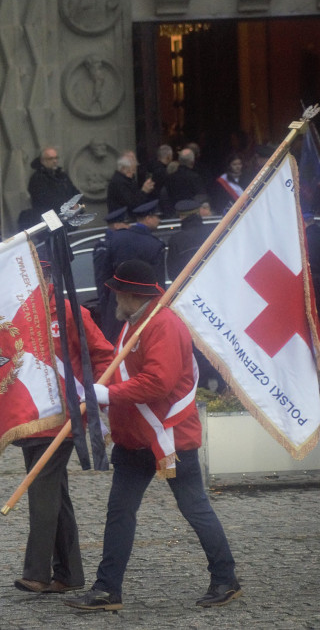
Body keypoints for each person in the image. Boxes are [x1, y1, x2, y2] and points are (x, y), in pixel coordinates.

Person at [65, 260, 242, 612]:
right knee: (119, 512)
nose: (112, 297)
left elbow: (158, 382)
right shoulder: (138, 321)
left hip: (168, 439)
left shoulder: (162, 324)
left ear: (132, 295)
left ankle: (225, 578)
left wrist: (109, 395)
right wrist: (104, 392)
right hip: (135, 438)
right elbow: (130, 373)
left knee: (194, 508)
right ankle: (106, 589)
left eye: (117, 292)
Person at [13, 264, 115, 595]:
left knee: (41, 489)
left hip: (63, 417)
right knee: (55, 493)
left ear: (46, 278)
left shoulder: (71, 311)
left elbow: (103, 355)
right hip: (28, 416)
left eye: (34, 277)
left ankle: (38, 572)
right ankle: (69, 574)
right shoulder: (14, 313)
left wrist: (96, 395)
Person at [98, 200, 165, 343]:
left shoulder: (116, 238)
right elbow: (158, 283)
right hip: (142, 305)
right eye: (157, 217)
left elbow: (104, 274)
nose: (159, 220)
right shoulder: (155, 244)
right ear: (148, 218)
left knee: (114, 344)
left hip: (117, 302)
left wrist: (106, 300)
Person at [93, 207, 130, 330]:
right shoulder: (104, 245)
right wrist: (105, 301)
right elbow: (101, 277)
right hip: (112, 300)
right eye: (126, 223)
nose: (128, 226)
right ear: (116, 225)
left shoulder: (119, 243)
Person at [28, 147, 80, 217]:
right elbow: (47, 200)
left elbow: (74, 191)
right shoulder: (37, 178)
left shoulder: (62, 175)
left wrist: (77, 204)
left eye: (56, 158)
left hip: (68, 217)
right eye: (50, 159)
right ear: (42, 161)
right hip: (51, 218)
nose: (55, 161)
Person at [164, 148, 206, 215]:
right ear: (192, 162)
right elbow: (201, 197)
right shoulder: (195, 178)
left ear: (179, 161)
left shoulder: (170, 178)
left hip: (174, 215)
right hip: (192, 214)